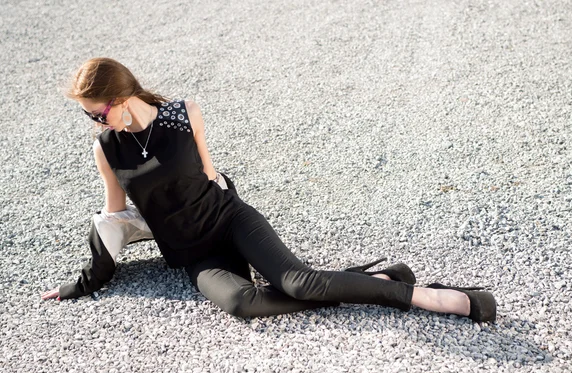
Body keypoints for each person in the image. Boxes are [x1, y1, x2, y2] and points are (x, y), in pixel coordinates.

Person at [41, 58, 497, 322]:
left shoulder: (184, 114)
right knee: (243, 303)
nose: (96, 122)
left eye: (97, 113)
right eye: (90, 116)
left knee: (298, 281)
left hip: (231, 220)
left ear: (120, 98)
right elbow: (111, 221)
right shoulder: (107, 150)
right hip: (196, 253)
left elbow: (210, 174)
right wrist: (83, 283)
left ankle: (435, 297)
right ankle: (377, 280)